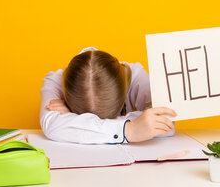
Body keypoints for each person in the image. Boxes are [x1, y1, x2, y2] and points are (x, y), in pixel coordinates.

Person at [39, 47, 177, 144]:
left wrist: (75, 122)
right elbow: (52, 125)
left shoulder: (136, 76)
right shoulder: (55, 80)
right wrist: (129, 130)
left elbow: (167, 123)